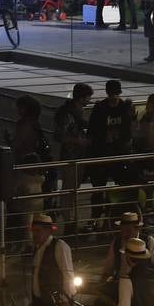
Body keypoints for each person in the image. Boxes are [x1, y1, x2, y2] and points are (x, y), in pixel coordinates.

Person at [87, 79, 133, 224]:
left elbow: (129, 130)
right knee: (98, 188)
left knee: (121, 186)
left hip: (118, 153)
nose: (114, 97)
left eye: (116, 94)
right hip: (102, 152)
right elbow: (92, 130)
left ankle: (115, 216)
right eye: (112, 94)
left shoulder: (124, 107)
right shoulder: (100, 107)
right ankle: (96, 217)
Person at [53, 83, 92, 233]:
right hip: (71, 155)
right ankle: (68, 221)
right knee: (69, 189)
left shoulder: (73, 111)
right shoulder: (69, 113)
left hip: (75, 155)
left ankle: (70, 220)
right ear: (82, 97)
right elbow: (59, 136)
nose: (89, 100)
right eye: (88, 97)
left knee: (71, 189)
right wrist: (79, 141)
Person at [102, 212, 154, 285]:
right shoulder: (117, 243)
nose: (125, 234)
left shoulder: (150, 243)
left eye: (128, 231)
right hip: (121, 283)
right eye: (123, 230)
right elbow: (108, 267)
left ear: (137, 229)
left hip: (144, 284)